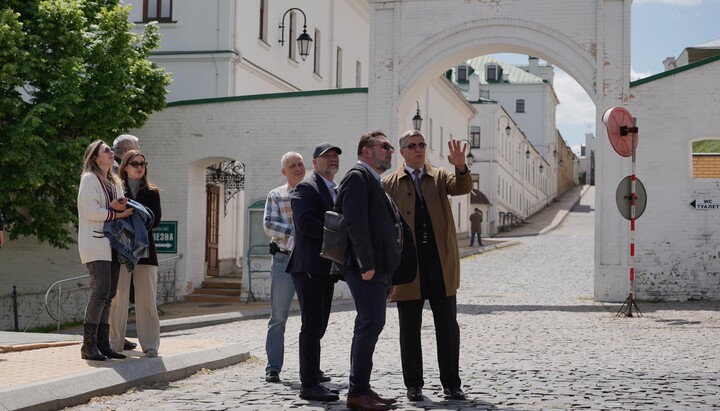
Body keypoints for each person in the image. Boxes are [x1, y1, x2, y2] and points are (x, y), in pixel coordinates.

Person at [383, 129, 473, 401]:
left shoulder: (440, 176)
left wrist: (460, 166)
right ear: (402, 152)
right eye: (412, 146)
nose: (419, 149)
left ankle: (451, 383)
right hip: (407, 267)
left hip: (439, 262)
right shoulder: (389, 183)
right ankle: (413, 384)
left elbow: (462, 187)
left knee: (447, 326)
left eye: (422, 144)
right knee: (409, 329)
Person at [335, 131, 403, 411]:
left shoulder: (374, 181)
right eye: (384, 147)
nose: (390, 151)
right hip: (366, 269)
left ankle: (361, 387)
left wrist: (390, 273)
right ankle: (357, 393)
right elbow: (355, 224)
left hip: (379, 270)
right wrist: (367, 264)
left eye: (389, 147)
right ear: (366, 151)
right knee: (369, 325)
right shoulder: (356, 177)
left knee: (370, 325)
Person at [286, 142, 342, 402]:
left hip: (324, 267)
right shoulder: (306, 187)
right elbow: (304, 223)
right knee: (311, 326)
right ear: (315, 162)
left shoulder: (333, 189)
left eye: (335, 156)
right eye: (326, 156)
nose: (332, 159)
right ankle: (308, 385)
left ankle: (313, 375)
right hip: (308, 266)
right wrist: (338, 232)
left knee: (319, 325)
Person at [77, 140, 133, 361]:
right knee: (100, 291)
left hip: (113, 244)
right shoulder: (89, 179)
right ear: (95, 158)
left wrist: (121, 207)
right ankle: (88, 345)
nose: (111, 153)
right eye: (106, 150)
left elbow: (115, 205)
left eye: (111, 150)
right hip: (95, 243)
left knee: (109, 294)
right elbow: (91, 211)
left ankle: (103, 344)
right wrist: (117, 213)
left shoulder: (115, 181)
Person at [109, 150, 162, 357]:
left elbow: (155, 220)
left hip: (146, 251)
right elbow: (112, 218)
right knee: (118, 298)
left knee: (147, 299)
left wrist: (129, 213)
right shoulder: (116, 191)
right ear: (125, 167)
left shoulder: (152, 192)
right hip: (122, 249)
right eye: (135, 164)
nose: (140, 167)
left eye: (142, 163)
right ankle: (114, 343)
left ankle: (150, 345)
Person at [263, 151, 306, 383]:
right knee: (278, 317)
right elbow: (269, 224)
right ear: (284, 171)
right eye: (292, 165)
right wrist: (298, 231)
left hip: (308, 260)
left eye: (300, 164)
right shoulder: (276, 195)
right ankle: (273, 367)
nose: (298, 168)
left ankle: (311, 370)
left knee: (311, 319)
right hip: (283, 260)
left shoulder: (312, 192)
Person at [112, 133, 141, 352]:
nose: (139, 151)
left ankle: (118, 336)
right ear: (124, 151)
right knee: (115, 293)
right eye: (135, 149)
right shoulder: (112, 173)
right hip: (115, 239)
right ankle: (113, 338)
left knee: (121, 293)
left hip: (126, 239)